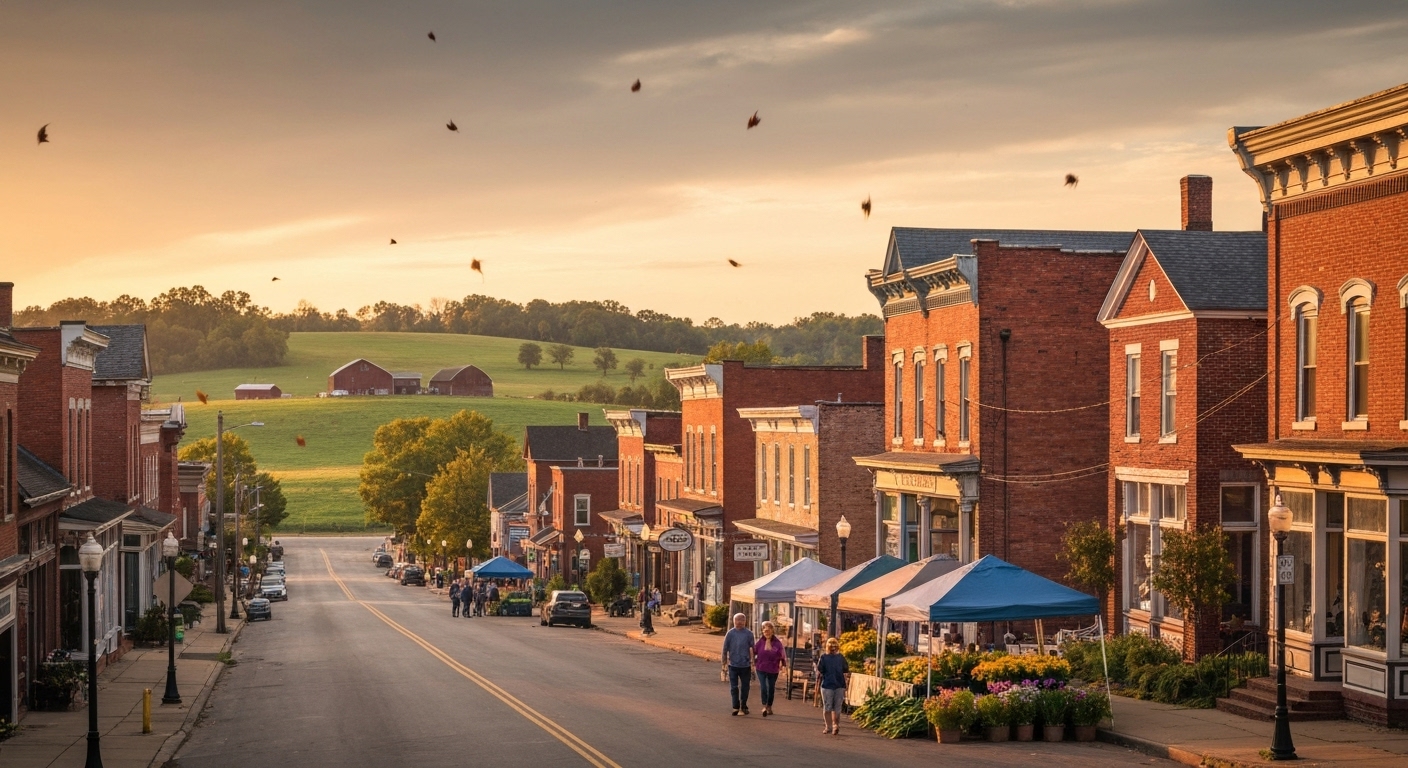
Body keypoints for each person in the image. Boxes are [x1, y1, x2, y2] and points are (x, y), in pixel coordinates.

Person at [721, 613, 756, 716]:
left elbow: (753, 649)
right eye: (737, 620)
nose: (739, 622)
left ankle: (744, 705)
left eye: (742, 620)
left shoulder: (749, 634)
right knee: (734, 687)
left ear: (745, 621)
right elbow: (725, 648)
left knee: (745, 687)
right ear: (733, 621)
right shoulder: (730, 633)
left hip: (745, 665)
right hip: (733, 665)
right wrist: (723, 663)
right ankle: (735, 706)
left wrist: (753, 662)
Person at [817, 637, 850, 735]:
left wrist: (846, 683)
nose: (833, 648)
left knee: (836, 707)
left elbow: (845, 670)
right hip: (829, 685)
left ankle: (835, 726)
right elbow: (821, 670)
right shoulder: (824, 658)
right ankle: (829, 726)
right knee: (830, 707)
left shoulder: (839, 658)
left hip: (836, 685)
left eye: (834, 646)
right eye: (831, 645)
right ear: (827, 646)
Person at [753, 621, 787, 716]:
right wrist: (751, 660)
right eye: (765, 631)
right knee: (764, 687)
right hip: (761, 668)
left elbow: (782, 655)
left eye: (769, 630)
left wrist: (783, 664)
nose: (767, 632)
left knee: (771, 688)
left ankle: (769, 706)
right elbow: (754, 651)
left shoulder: (777, 643)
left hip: (773, 669)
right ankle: (764, 706)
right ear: (763, 632)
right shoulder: (760, 642)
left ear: (772, 631)